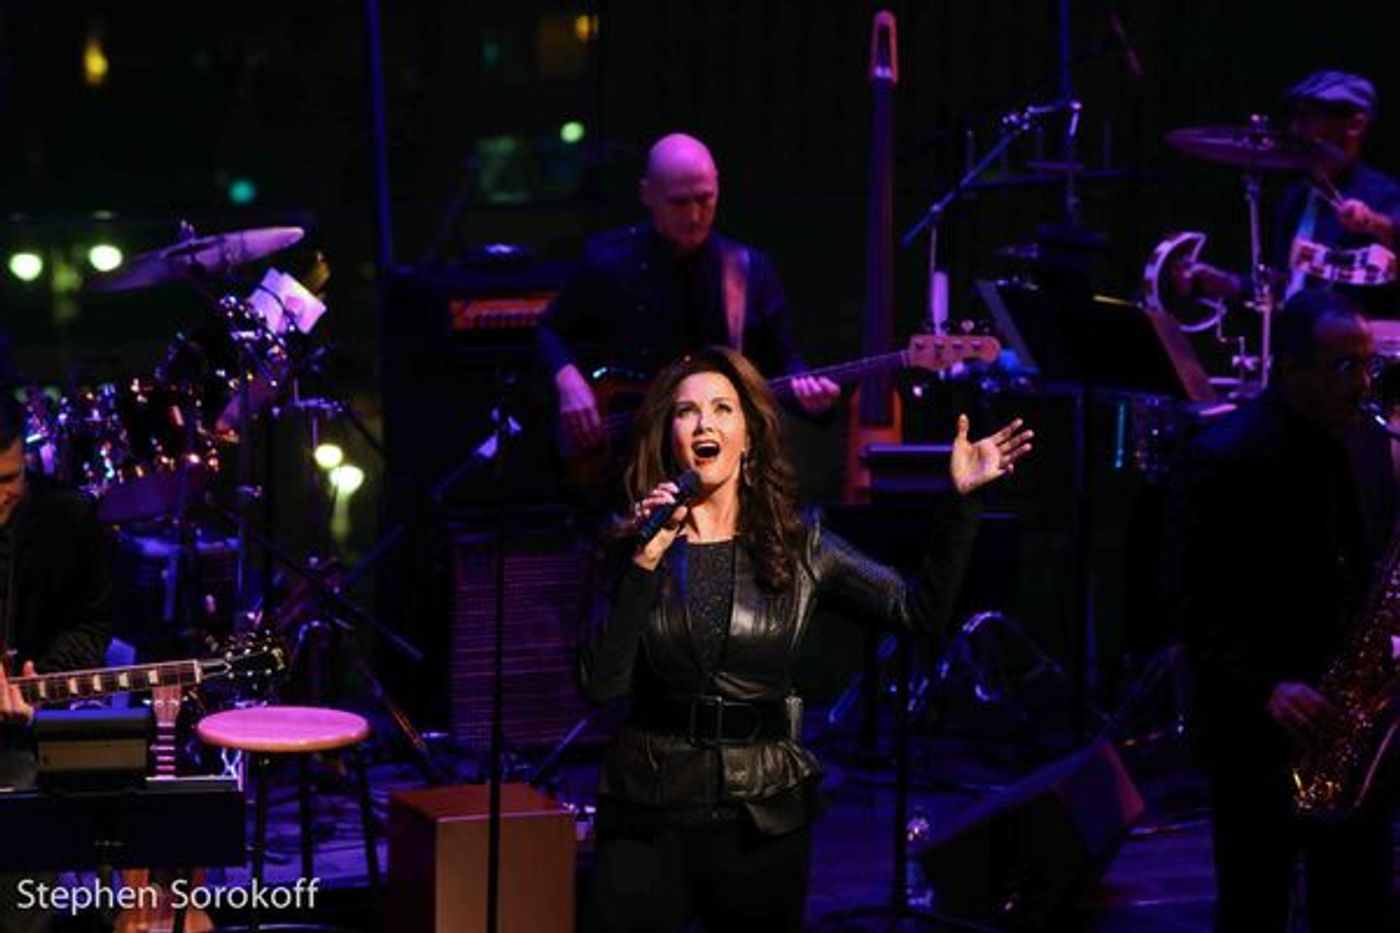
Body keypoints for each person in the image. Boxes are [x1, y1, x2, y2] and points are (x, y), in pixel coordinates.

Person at [579, 346, 1033, 931]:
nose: (704, 424)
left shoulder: (800, 545)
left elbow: (916, 611)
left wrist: (963, 503)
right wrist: (644, 563)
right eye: (687, 412)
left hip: (760, 815)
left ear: (749, 436)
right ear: (671, 437)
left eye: (722, 409)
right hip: (647, 810)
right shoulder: (633, 544)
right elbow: (600, 685)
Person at [1162, 290, 1396, 931]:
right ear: (1290, 367)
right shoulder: (1222, 456)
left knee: (1361, 906)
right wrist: (1264, 687)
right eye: (1345, 366)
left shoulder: (1368, 442)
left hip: (1351, 718)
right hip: (1260, 725)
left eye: (1369, 364)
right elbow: (1186, 600)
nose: (1364, 383)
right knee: (1254, 905)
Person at [537, 132, 840, 462]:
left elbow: (784, 361)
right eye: (679, 203)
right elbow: (550, 329)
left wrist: (811, 399)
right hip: (621, 461)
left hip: (714, 461)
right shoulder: (607, 260)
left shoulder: (749, 269)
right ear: (648, 194)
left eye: (705, 199)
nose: (695, 216)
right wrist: (568, 381)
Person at [0, 391, 112, 931]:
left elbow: (90, 626)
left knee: (21, 798)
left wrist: (39, 677)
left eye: (7, 480)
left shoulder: (66, 518)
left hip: (16, 733)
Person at [1178, 70, 1400, 317]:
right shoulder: (1297, 197)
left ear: (1354, 125)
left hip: (1361, 336)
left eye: (1308, 118)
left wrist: (1373, 223)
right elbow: (1289, 284)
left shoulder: (1383, 194)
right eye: (1294, 118)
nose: (1295, 130)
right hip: (1295, 336)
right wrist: (1228, 283)